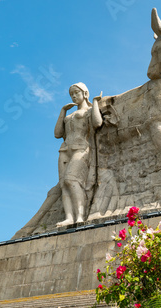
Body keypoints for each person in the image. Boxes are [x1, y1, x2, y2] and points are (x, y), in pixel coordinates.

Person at [54, 83, 102, 226]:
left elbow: (97, 123)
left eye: (76, 93)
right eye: (71, 94)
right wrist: (63, 111)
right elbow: (57, 134)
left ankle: (80, 215)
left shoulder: (89, 110)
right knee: (64, 184)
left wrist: (94, 103)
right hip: (65, 150)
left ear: (84, 94)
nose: (74, 96)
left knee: (71, 180)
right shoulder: (69, 115)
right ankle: (69, 217)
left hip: (80, 149)